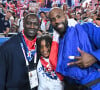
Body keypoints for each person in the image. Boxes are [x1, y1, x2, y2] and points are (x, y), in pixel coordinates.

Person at [49, 7, 100, 90]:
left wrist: (94, 57)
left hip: (94, 85)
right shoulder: (56, 41)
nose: (57, 21)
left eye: (59, 16)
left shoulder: (86, 28)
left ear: (65, 16)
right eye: (53, 19)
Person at [0, 13, 40, 90]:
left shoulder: (41, 46)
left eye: (35, 24)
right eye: (29, 23)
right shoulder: (7, 47)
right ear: (23, 24)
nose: (32, 26)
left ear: (39, 26)